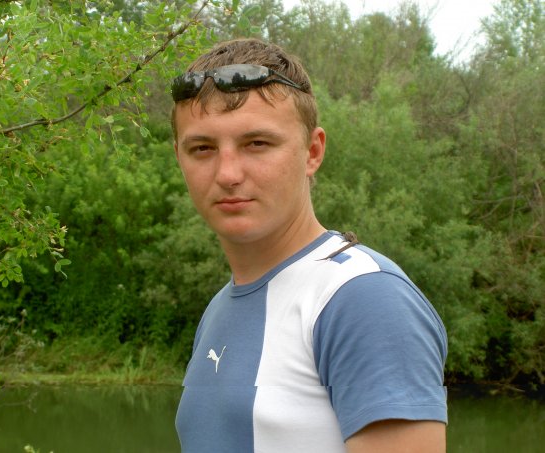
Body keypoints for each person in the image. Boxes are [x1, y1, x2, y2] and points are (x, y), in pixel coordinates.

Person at [170, 38, 447, 453]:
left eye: (257, 144)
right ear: (180, 158)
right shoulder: (220, 308)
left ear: (312, 152)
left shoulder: (363, 299)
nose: (227, 173)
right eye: (202, 148)